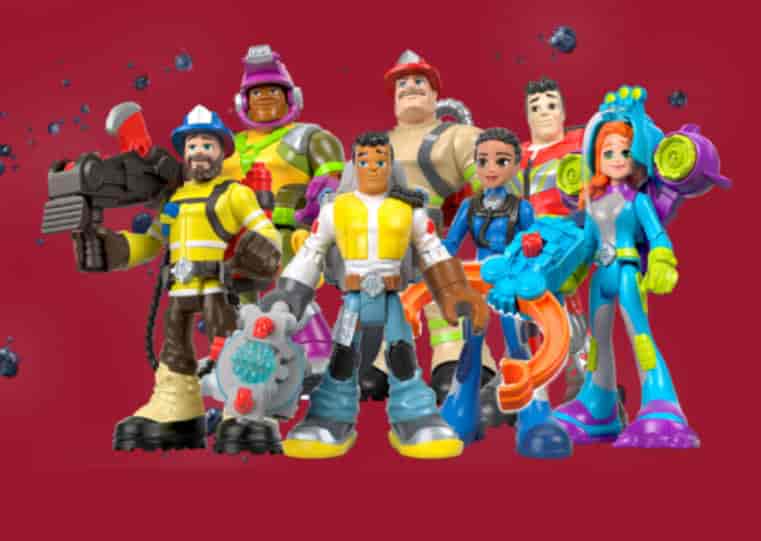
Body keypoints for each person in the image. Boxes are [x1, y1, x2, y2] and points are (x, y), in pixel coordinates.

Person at [267, 131, 489, 459]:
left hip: (390, 294)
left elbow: (432, 251)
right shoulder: (334, 209)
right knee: (343, 355)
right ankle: (330, 414)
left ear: (390, 164)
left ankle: (414, 414)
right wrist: (289, 297)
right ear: (354, 165)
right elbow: (311, 253)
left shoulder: (409, 209)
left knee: (401, 354)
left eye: (380, 161)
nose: (372, 167)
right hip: (353, 298)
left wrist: (453, 291)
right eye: (365, 161)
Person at [73, 104, 281, 451]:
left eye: (207, 145)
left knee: (232, 346)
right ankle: (178, 404)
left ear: (222, 151)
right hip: (180, 289)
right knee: (174, 350)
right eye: (192, 145)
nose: (199, 152)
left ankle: (244, 406)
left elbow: (265, 231)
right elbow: (154, 242)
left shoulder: (234, 194)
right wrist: (116, 248)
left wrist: (260, 252)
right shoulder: (175, 201)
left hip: (218, 287)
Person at [554, 86, 701, 448]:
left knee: (640, 335)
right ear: (596, 157)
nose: (617, 159)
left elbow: (657, 235)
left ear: (636, 157)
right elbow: (586, 245)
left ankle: (662, 405)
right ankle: (599, 404)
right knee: (597, 341)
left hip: (627, 272)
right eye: (608, 152)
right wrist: (567, 274)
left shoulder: (638, 201)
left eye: (624, 151)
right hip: (600, 276)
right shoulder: (593, 203)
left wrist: (662, 259)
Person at [444, 128, 573, 458]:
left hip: (512, 283)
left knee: (519, 343)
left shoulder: (522, 209)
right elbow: (450, 245)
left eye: (500, 161)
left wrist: (535, 260)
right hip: (478, 280)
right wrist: (432, 265)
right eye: (482, 161)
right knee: (471, 344)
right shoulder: (469, 207)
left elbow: (535, 244)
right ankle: (460, 409)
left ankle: (534, 411)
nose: (490, 168)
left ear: (515, 165)